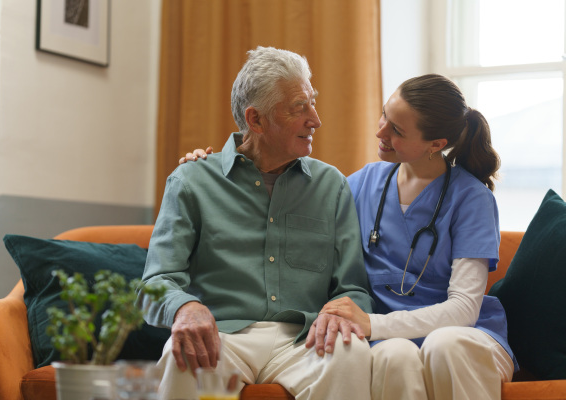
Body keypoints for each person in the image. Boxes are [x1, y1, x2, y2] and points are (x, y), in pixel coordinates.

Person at [184, 74, 517, 400]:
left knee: (445, 345)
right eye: (385, 115)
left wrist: (371, 324)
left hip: (460, 336)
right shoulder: (358, 185)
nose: (380, 131)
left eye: (396, 130)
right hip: (384, 337)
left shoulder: (472, 198)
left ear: (436, 144)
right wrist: (210, 168)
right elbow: (276, 210)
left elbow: (463, 310)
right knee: (392, 356)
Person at [139, 46, 376, 400]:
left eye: (313, 102)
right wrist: (184, 308)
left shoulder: (332, 185)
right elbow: (155, 283)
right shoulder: (191, 182)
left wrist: (342, 311)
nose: (315, 119)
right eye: (300, 107)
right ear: (256, 120)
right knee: (183, 355)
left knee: (351, 353)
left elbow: (353, 287)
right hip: (223, 337)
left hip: (305, 339)